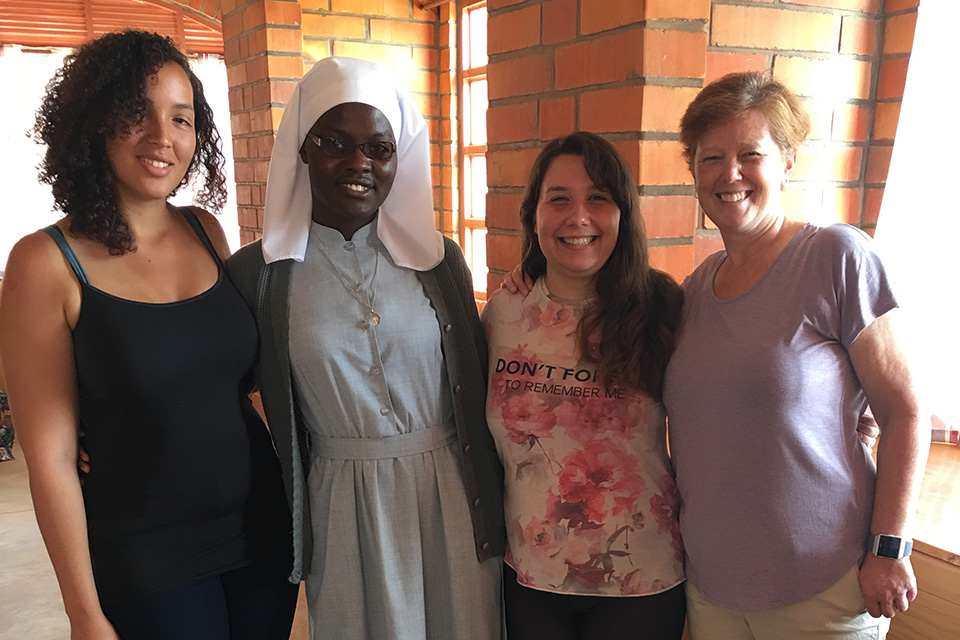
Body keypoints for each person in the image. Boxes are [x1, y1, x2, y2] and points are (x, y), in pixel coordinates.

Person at [0, 30, 297, 640]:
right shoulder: (45, 262)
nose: (163, 137)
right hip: (144, 553)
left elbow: (237, 382)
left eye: (181, 118)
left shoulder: (206, 232)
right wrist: (83, 613)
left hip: (260, 531)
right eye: (138, 113)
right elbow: (50, 459)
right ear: (95, 122)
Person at [225, 56, 505, 639]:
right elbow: (209, 379)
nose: (359, 164)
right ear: (302, 150)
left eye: (379, 149)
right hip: (340, 501)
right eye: (335, 143)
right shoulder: (261, 272)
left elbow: (484, 376)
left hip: (453, 494)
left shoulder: (438, 260)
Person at [663, 71, 928, 639]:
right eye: (711, 158)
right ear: (694, 172)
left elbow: (905, 412)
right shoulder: (694, 290)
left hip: (824, 587)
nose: (730, 174)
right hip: (712, 588)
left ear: (786, 162)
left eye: (750, 154)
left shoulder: (836, 257)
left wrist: (890, 547)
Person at [482, 132, 686, 639]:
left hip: (642, 578)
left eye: (598, 197)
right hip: (531, 572)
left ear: (622, 214)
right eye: (559, 199)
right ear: (533, 215)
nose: (579, 217)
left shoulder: (662, 307)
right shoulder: (504, 313)